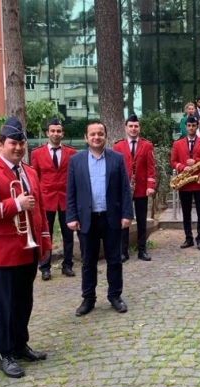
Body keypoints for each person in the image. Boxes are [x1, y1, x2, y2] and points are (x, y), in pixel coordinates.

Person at [0, 117, 51, 379]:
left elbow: (39, 210)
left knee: (23, 302)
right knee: (3, 306)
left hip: (27, 249)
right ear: (1, 143)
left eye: (21, 143)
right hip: (3, 254)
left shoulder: (28, 172)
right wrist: (14, 204)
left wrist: (45, 241)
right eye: (13, 143)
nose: (18, 147)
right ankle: (4, 353)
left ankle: (19, 344)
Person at [66, 121, 134, 316]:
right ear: (86, 138)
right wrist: (71, 216)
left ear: (105, 136)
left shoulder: (117, 159)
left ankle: (115, 296)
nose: (97, 137)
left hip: (111, 218)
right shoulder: (76, 161)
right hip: (87, 219)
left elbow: (124, 189)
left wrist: (127, 214)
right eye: (93, 134)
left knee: (115, 260)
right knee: (88, 261)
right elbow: (71, 191)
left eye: (100, 134)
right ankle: (88, 298)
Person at [31, 117, 77, 281]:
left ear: (62, 133)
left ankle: (68, 265)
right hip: (46, 199)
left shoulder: (71, 153)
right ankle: (45, 267)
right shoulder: (36, 153)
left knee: (68, 234)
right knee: (46, 234)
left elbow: (74, 176)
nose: (56, 134)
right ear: (47, 133)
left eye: (58, 131)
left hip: (66, 198)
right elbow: (34, 178)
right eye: (53, 131)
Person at [113, 114, 156, 262]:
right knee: (124, 221)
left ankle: (142, 250)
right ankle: (123, 251)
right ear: (126, 128)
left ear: (139, 128)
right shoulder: (117, 146)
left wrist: (150, 186)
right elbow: (114, 170)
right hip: (123, 190)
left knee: (142, 221)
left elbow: (151, 168)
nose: (133, 129)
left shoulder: (147, 145)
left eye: (136, 126)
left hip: (141, 189)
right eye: (130, 126)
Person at [171, 116, 200, 249]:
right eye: (189, 125)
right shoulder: (177, 144)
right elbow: (172, 162)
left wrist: (197, 161)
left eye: (193, 125)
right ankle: (188, 238)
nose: (191, 128)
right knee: (186, 213)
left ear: (197, 126)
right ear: (185, 127)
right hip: (184, 183)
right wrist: (183, 167)